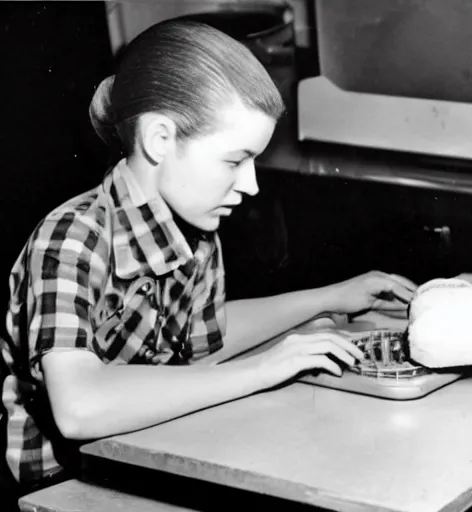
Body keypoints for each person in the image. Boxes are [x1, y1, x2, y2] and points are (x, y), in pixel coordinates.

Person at [0, 19, 416, 494]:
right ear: (160, 140)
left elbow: (206, 337)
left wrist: (332, 299)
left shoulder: (197, 236)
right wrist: (263, 368)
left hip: (133, 457)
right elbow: (79, 406)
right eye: (234, 160)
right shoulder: (72, 238)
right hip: (48, 486)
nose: (252, 184)